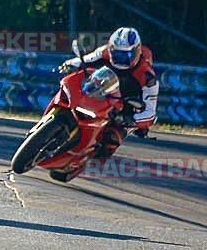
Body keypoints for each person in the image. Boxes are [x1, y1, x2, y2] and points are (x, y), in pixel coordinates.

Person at [60, 27, 159, 159]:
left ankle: (87, 160)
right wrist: (69, 64)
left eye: (126, 55)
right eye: (116, 53)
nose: (120, 59)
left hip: (125, 106)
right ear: (111, 49)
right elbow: (85, 60)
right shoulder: (104, 51)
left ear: (137, 51)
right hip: (100, 90)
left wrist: (132, 120)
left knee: (111, 140)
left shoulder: (148, 76)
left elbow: (151, 113)